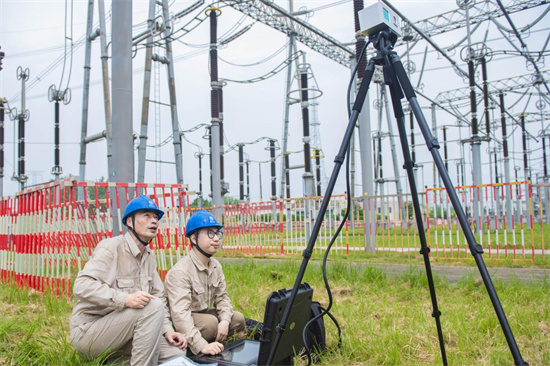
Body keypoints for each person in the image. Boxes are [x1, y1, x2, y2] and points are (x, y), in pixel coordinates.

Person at [70, 195, 187, 365]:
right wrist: (125, 299)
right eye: (146, 215)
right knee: (152, 307)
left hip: (124, 331)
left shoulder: (148, 255)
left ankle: (112, 360)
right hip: (90, 332)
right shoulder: (111, 248)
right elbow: (81, 286)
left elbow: (158, 295)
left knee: (176, 353)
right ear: (130, 222)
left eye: (155, 217)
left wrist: (167, 330)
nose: (153, 221)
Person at [164, 210, 245, 356]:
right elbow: (180, 315)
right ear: (194, 239)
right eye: (209, 233)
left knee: (237, 319)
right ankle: (194, 347)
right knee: (211, 324)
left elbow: (222, 298)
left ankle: (214, 337)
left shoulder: (215, 266)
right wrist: (201, 346)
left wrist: (225, 321)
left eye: (217, 233)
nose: (216, 239)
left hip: (203, 316)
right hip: (182, 322)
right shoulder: (181, 271)